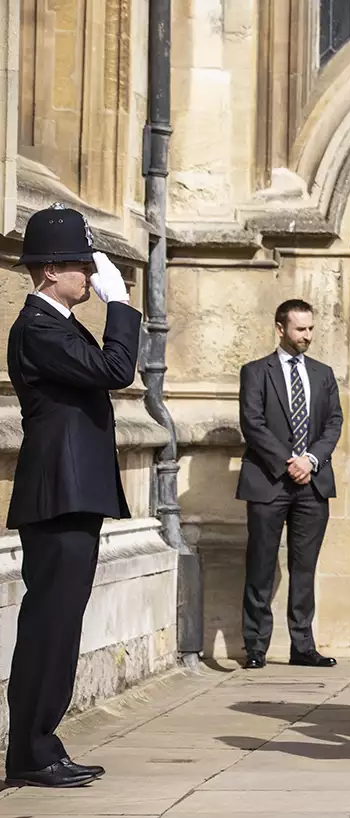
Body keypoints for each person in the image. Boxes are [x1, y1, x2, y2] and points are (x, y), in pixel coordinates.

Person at [5, 204, 140, 788]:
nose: (90, 276)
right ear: (49, 270)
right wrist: (123, 308)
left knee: (60, 624)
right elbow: (115, 369)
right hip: (58, 493)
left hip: (72, 492)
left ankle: (41, 742)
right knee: (50, 624)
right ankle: (32, 751)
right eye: (82, 266)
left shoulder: (57, 321)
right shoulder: (39, 326)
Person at [237, 299, 343, 669]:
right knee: (261, 565)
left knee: (304, 567)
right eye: (300, 329)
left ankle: (302, 645)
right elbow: (253, 424)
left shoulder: (323, 374)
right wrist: (289, 462)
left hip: (313, 483)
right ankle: (255, 647)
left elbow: (334, 423)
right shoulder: (255, 372)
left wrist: (310, 460)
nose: (307, 336)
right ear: (280, 328)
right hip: (269, 480)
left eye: (311, 329)